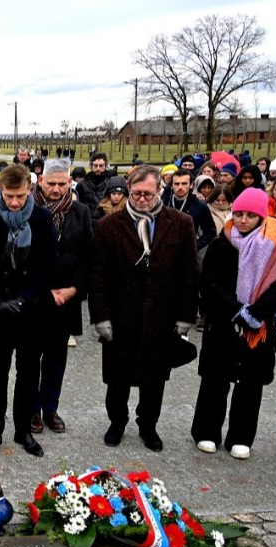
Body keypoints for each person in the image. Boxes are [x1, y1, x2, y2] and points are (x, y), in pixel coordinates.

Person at [90, 165, 199, 452]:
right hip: (120, 315)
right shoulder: (108, 225)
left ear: (159, 190)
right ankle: (117, 422)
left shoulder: (181, 223)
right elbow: (97, 274)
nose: (141, 199)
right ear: (128, 190)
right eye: (136, 193)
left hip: (161, 316)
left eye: (148, 194)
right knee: (117, 378)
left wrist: (186, 316)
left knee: (155, 378)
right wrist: (100, 316)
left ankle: (148, 425)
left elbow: (189, 273)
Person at [0, 164, 56, 458]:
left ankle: (23, 430)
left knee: (29, 373)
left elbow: (48, 264)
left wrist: (24, 298)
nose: (15, 202)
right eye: (9, 196)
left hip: (30, 309)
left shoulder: (43, 219)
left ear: (30, 189)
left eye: (20, 196)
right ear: (0, 190)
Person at [191, 187, 276, 460]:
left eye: (250, 215)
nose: (242, 220)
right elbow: (209, 282)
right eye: (239, 214)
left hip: (258, 325)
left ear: (261, 217)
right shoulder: (221, 244)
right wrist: (236, 309)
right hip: (223, 320)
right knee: (214, 380)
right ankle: (206, 431)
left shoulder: (275, 247)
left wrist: (256, 311)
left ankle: (241, 437)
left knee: (250, 384)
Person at [31, 159, 93, 435]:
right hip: (35, 297)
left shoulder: (81, 212)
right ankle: (32, 407)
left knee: (56, 359)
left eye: (61, 184)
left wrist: (74, 289)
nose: (56, 189)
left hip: (66, 298)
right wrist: (41, 290)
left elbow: (88, 255)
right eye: (51, 184)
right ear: (41, 181)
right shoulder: (28, 209)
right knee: (31, 357)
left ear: (70, 182)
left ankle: (50, 407)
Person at [162, 169, 217, 256]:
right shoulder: (163, 204)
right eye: (176, 184)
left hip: (188, 254)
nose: (180, 187)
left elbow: (211, 231)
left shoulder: (200, 205)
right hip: (165, 252)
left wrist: (195, 246)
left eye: (184, 183)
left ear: (191, 185)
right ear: (171, 186)